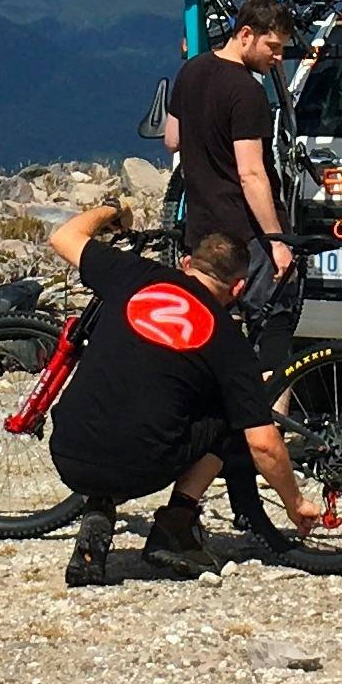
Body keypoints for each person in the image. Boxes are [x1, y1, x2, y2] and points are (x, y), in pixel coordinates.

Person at [33, 197, 308, 588]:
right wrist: (296, 504)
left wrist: (115, 210)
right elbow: (263, 444)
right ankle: (175, 524)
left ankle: (99, 506)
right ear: (240, 287)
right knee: (233, 413)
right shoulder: (230, 343)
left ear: (186, 264)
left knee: (129, 386)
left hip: (69, 451)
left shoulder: (131, 273)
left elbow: (63, 236)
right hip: (139, 470)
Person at [163, 0, 302, 305]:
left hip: (201, 230)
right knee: (268, 325)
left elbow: (172, 139)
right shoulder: (248, 91)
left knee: (206, 319)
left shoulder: (191, 70)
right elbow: (250, 174)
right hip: (246, 234)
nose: (278, 57)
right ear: (246, 34)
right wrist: (277, 242)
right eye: (273, 46)